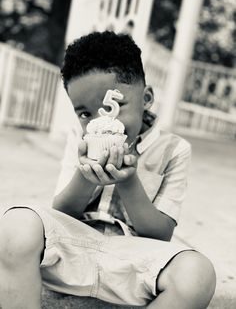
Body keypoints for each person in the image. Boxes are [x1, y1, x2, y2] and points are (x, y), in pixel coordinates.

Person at [0, 31, 216, 309]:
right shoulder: (78, 140)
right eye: (85, 114)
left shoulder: (175, 150)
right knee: (15, 224)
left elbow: (160, 235)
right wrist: (84, 175)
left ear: (146, 97)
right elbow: (62, 214)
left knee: (198, 274)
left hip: (133, 262)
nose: (98, 122)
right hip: (73, 251)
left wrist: (128, 182)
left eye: (112, 106)